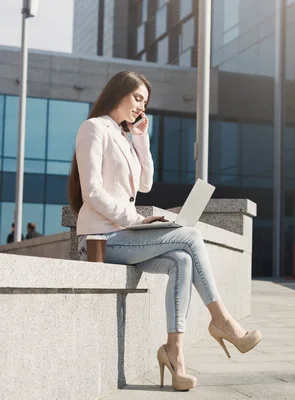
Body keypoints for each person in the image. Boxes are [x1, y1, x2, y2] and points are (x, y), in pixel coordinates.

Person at [67, 71, 261, 391]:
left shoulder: (126, 138)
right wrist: (134, 219)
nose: (141, 107)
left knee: (181, 261)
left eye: (145, 101)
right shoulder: (93, 128)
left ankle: (175, 353)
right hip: (100, 239)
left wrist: (142, 138)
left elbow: (145, 184)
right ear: (119, 93)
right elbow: (92, 192)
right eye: (138, 98)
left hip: (125, 237)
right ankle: (222, 320)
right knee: (191, 236)